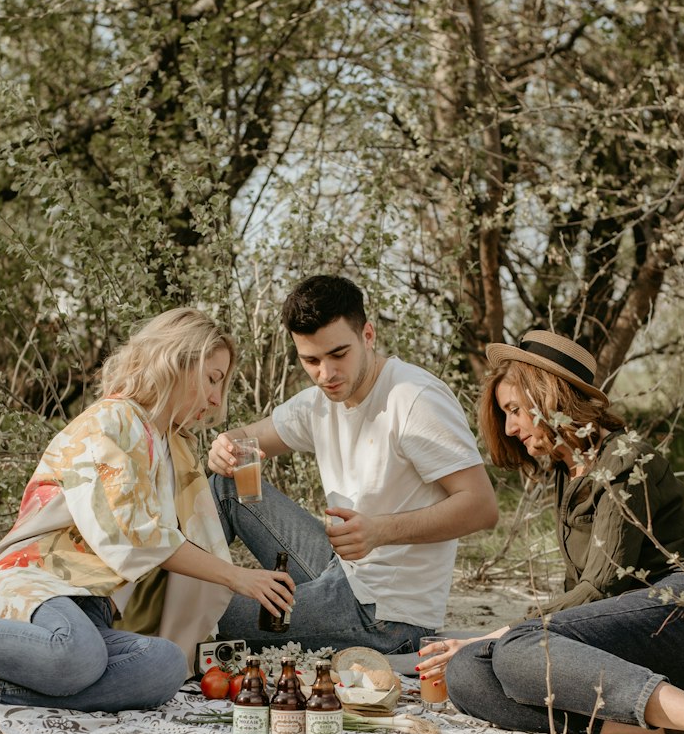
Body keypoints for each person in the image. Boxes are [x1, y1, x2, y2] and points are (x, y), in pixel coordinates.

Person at [0, 309, 294, 713]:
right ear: (176, 360)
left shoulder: (173, 447)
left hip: (92, 607)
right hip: (34, 584)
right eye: (212, 378)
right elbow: (134, 535)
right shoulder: (110, 421)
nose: (217, 399)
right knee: (75, 656)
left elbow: (184, 542)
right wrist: (239, 577)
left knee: (165, 664)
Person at [419, 330, 684, 734]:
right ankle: (680, 728)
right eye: (506, 415)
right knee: (467, 674)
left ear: (548, 395)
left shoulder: (624, 457)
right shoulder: (567, 470)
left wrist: (505, 632)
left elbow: (602, 584)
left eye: (515, 410)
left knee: (512, 646)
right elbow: (584, 605)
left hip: (683, 619)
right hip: (625, 651)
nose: (512, 428)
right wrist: (497, 643)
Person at [199, 274, 498, 654]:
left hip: (384, 614)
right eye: (311, 360)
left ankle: (172, 613)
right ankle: (175, 585)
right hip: (336, 569)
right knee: (226, 485)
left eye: (339, 354)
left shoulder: (414, 399)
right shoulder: (319, 402)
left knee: (210, 615)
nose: (326, 374)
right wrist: (224, 447)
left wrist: (379, 532)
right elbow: (244, 439)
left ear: (368, 335)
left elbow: (482, 507)